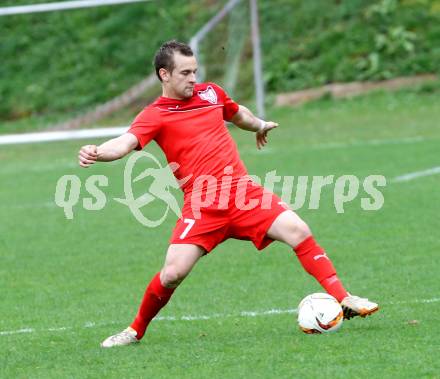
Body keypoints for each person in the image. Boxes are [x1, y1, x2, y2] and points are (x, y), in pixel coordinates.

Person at [78, 40, 378, 348]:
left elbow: (237, 114)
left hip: (243, 195)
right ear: (164, 75)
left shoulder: (211, 93)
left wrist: (260, 125)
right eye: (185, 73)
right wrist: (97, 152)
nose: (193, 78)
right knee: (172, 274)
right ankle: (135, 330)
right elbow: (125, 143)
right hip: (203, 207)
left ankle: (344, 298)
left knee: (298, 229)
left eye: (195, 71)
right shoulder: (155, 114)